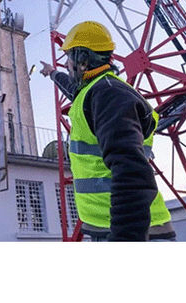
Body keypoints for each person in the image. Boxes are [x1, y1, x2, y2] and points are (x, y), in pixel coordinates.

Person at [54, 21, 175, 241]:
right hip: (112, 226)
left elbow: (131, 171)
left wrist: (125, 239)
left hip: (132, 231)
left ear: (82, 60)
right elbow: (73, 89)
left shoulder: (108, 95)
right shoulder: (98, 91)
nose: (66, 65)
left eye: (69, 58)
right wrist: (52, 74)